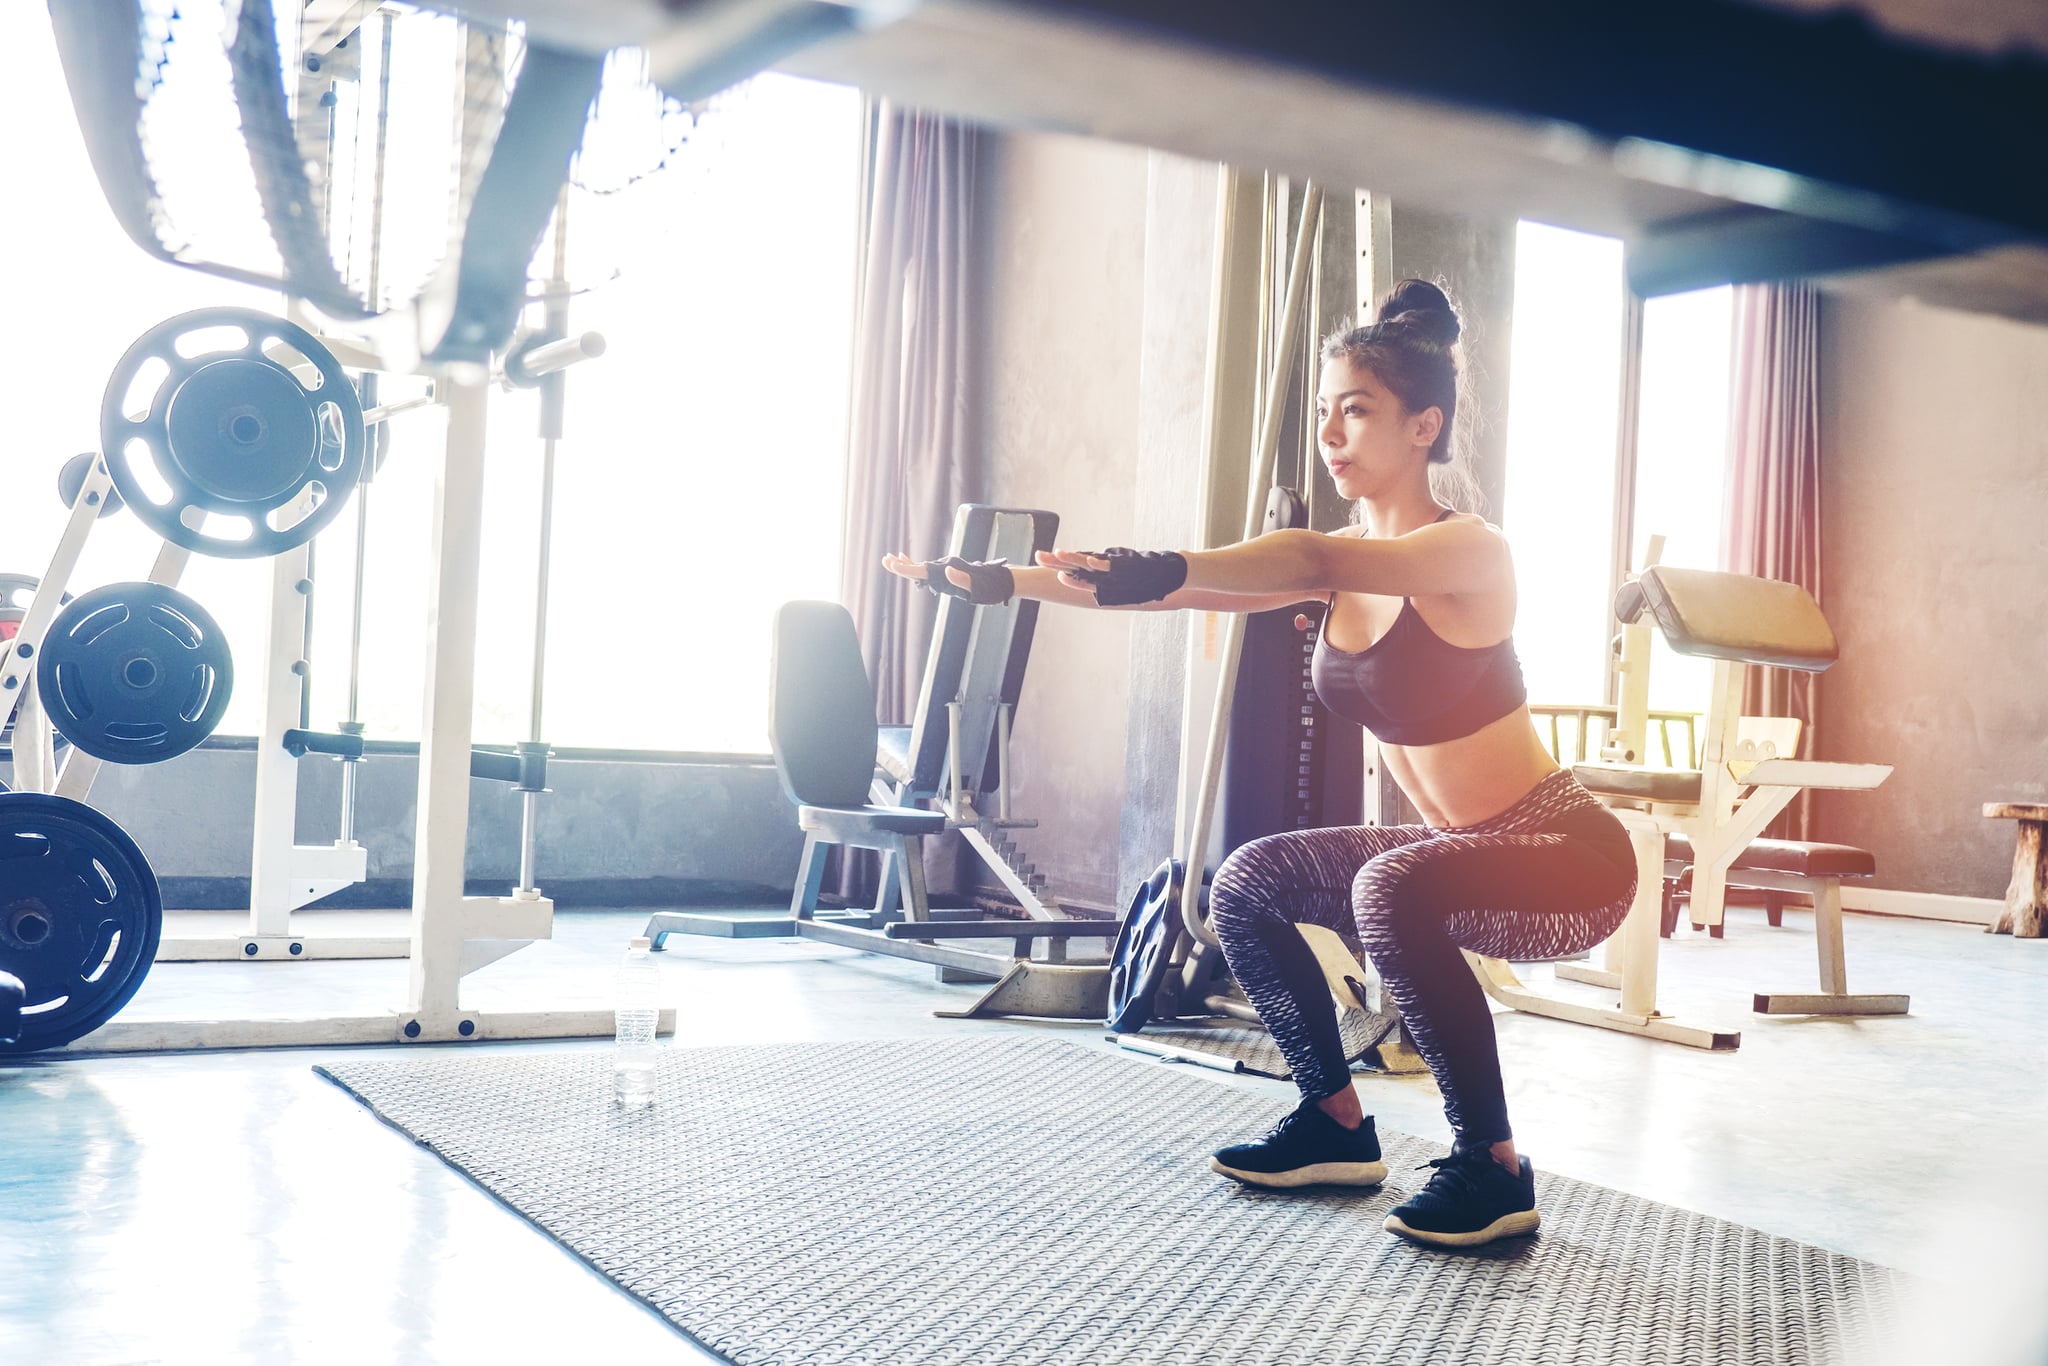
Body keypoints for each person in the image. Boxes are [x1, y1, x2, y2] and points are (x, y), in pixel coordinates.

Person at [883, 278, 1635, 1249]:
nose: (1329, 431)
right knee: (1243, 883)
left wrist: (1166, 559)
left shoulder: (1465, 551)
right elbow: (1176, 595)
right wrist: (1003, 581)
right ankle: (1330, 1121)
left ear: (1423, 425)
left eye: (1355, 410)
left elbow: (1306, 558)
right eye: (1321, 411)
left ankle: (1491, 1168)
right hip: (1454, 849)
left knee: (1385, 885)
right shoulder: (1339, 565)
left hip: (1564, 854)